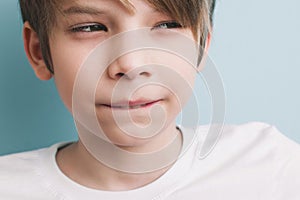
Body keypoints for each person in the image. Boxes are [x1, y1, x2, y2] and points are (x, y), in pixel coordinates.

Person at [0, 0, 300, 199]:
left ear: (201, 46)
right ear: (39, 51)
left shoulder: (272, 166)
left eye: (166, 25)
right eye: (89, 28)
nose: (131, 63)